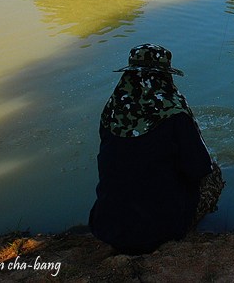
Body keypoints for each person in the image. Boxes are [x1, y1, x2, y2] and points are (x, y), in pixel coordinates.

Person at [89, 43, 223, 254]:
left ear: (130, 75)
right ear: (166, 77)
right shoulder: (174, 114)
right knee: (214, 173)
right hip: (159, 231)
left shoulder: (112, 110)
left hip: (106, 225)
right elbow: (199, 169)